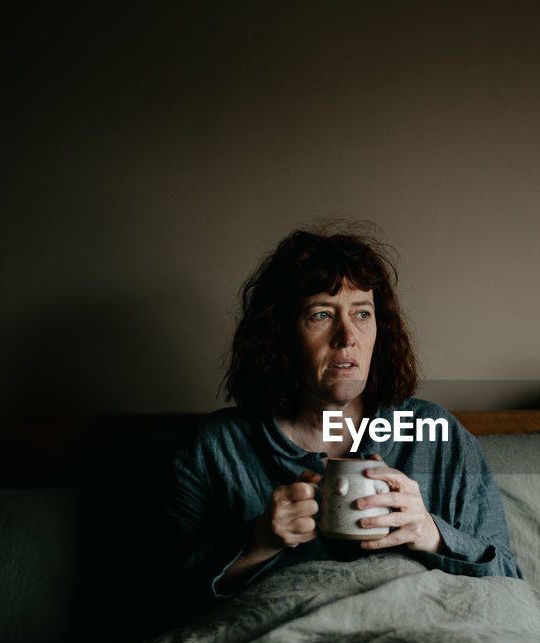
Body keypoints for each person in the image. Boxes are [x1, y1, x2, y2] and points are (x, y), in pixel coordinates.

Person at [167, 227, 521, 598]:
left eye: (362, 314)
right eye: (321, 314)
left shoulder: (435, 435)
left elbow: (513, 584)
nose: (347, 336)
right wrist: (257, 543)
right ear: (281, 335)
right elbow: (159, 604)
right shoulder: (217, 447)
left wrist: (431, 534)